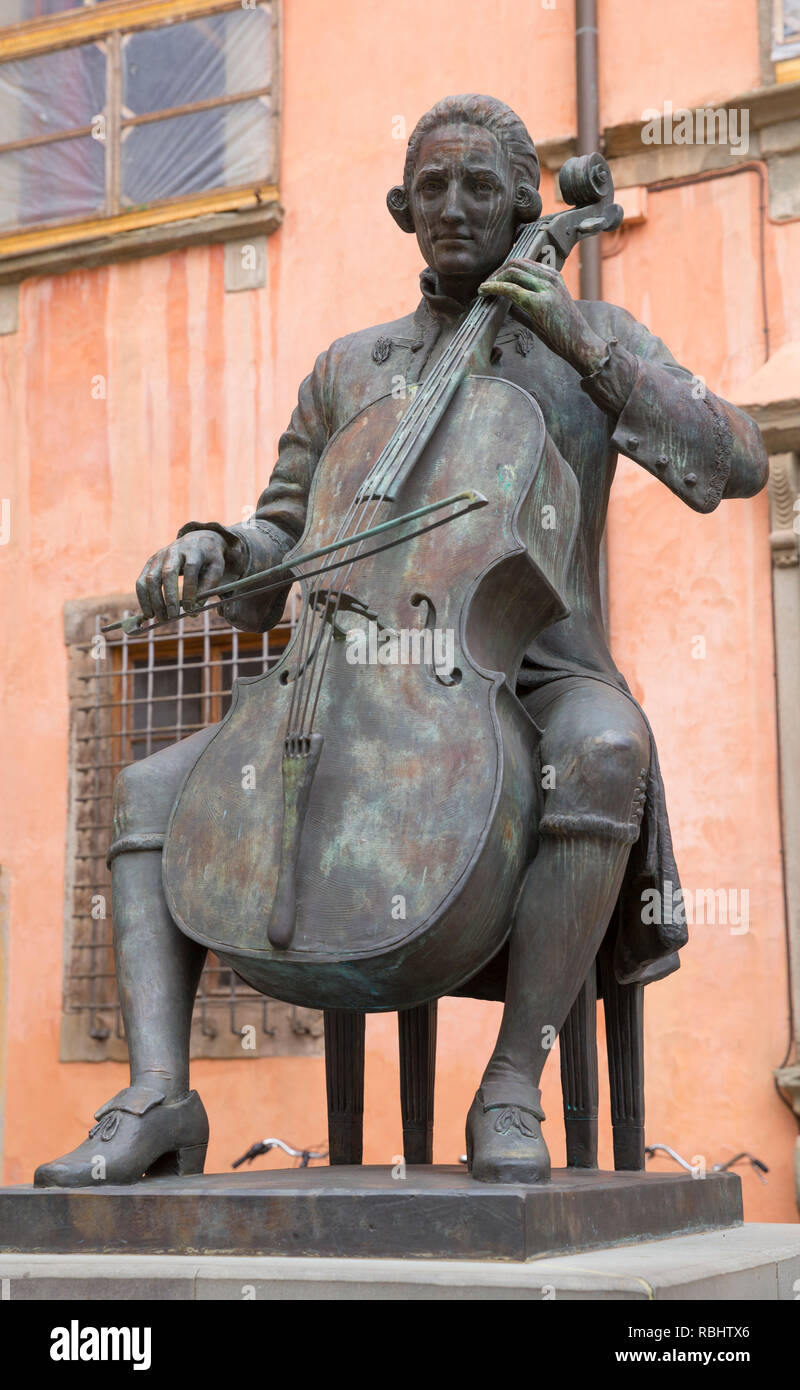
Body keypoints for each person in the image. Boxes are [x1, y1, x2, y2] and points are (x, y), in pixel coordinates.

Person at [36, 94, 767, 1188]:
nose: (454, 207)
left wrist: (573, 335)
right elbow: (282, 533)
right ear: (402, 209)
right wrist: (215, 547)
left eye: (480, 186)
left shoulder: (594, 337)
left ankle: (512, 1078)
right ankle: (156, 1093)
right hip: (350, 680)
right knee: (150, 793)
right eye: (431, 189)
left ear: (527, 200)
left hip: (543, 674)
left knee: (607, 749)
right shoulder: (350, 368)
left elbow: (735, 458)